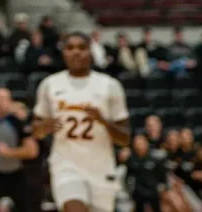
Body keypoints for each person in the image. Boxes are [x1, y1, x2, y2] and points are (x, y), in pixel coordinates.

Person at [33, 32, 131, 212]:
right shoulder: (50, 84)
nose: (76, 52)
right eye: (70, 48)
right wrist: (44, 127)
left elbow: (124, 139)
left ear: (90, 52)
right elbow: (36, 131)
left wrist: (104, 122)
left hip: (101, 169)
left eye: (82, 47)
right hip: (65, 166)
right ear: (63, 53)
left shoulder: (110, 85)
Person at [0, 88, 38, 212]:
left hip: (17, 175)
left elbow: (32, 151)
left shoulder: (18, 122)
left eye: (3, 99)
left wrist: (10, 152)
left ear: (10, 101)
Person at [127, 134, 167, 212]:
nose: (139, 146)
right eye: (137, 143)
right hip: (138, 192)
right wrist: (131, 188)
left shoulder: (155, 158)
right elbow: (129, 175)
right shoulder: (131, 159)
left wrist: (162, 186)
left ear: (146, 144)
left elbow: (162, 174)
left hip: (153, 191)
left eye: (141, 143)